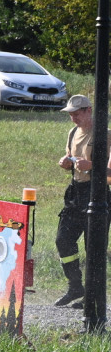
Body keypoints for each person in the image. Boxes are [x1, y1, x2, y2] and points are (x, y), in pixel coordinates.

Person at [55, 95, 111, 306]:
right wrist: (66, 163)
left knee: (93, 247)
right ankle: (75, 286)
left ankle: (93, 295)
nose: (73, 119)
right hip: (75, 193)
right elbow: (71, 156)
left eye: (76, 114)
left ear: (89, 110)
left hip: (98, 194)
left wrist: (92, 167)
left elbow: (110, 175)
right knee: (63, 239)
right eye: (70, 114)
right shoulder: (72, 133)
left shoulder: (105, 136)